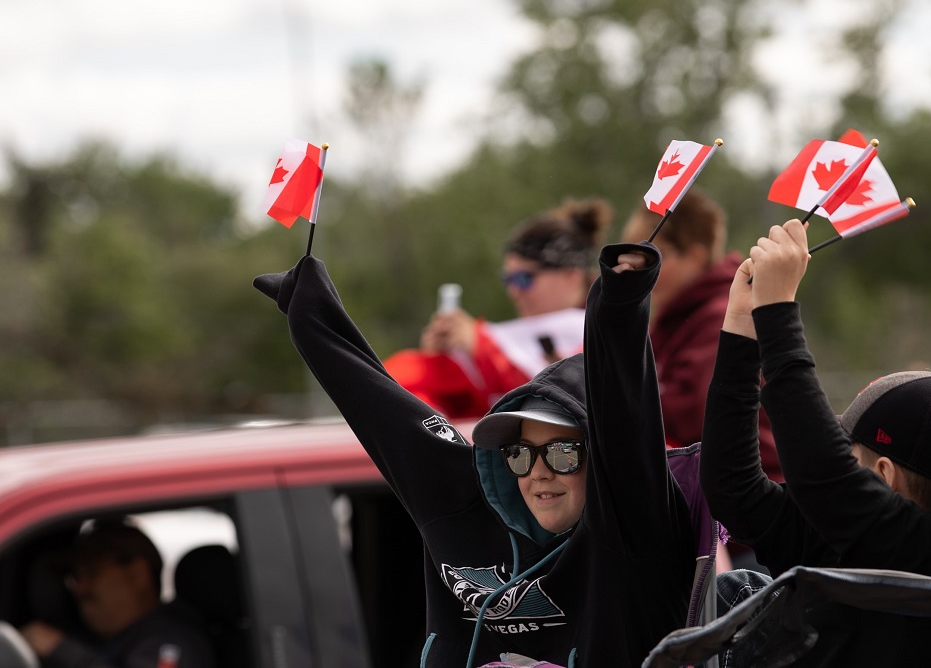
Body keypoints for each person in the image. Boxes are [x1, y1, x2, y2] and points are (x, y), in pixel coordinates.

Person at [253, 237, 697, 665]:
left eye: (562, 453)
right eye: (521, 454)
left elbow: (626, 417)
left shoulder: (636, 534)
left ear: (600, 463)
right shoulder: (461, 505)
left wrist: (620, 303)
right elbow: (381, 411)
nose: (538, 473)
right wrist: (310, 313)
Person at [699, 219, 931, 666]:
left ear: (883, 476)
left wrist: (777, 311)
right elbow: (734, 488)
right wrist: (741, 327)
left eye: (849, 453)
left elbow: (824, 478)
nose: (836, 461)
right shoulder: (840, 539)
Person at [384, 197, 613, 420]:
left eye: (524, 278)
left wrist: (481, 346)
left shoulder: (605, 333)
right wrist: (442, 362)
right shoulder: (499, 341)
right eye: (508, 279)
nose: (514, 291)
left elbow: (558, 395)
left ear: (570, 275)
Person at [621, 190, 781, 470]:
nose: (639, 269)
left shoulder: (721, 315)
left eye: (654, 257)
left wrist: (620, 395)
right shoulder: (675, 317)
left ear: (695, 256)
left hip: (746, 489)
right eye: (634, 257)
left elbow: (697, 413)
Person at [19, 520, 214, 668]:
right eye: (75, 578)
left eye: (92, 574)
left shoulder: (173, 641)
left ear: (138, 574)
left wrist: (61, 650)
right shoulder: (116, 638)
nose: (79, 589)